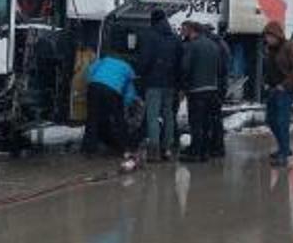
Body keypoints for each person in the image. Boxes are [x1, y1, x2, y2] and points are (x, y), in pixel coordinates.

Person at [84, 51, 142, 167]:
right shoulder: (129, 69)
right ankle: (124, 147)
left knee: (92, 118)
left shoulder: (105, 60)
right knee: (119, 120)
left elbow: (89, 70)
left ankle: (89, 149)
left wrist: (91, 82)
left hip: (94, 87)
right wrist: (125, 105)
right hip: (112, 91)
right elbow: (130, 93)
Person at [137, 9, 181, 161]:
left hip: (154, 82)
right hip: (170, 83)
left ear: (153, 20)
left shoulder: (149, 36)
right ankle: (167, 148)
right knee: (168, 114)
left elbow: (145, 60)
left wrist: (141, 73)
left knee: (153, 116)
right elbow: (179, 61)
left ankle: (154, 151)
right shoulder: (175, 37)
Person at [262, 20, 293, 166]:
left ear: (278, 35)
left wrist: (284, 85)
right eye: (266, 36)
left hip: (287, 90)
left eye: (270, 36)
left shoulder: (290, 48)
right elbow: (269, 69)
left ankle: (284, 154)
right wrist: (267, 83)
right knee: (271, 120)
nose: (267, 39)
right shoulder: (269, 49)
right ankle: (284, 147)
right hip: (273, 89)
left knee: (282, 121)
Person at [178, 21, 222, 162]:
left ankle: (195, 152)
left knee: (196, 122)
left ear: (191, 30)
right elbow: (220, 68)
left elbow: (185, 68)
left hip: (197, 90)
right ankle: (205, 152)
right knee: (207, 122)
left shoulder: (192, 46)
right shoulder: (214, 46)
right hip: (212, 89)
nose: (182, 33)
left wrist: (183, 87)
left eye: (183, 30)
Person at [204, 24, 231, 158]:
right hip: (220, 85)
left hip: (216, 85)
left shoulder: (214, 46)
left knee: (212, 117)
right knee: (215, 117)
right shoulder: (222, 44)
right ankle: (218, 146)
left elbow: (219, 68)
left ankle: (215, 146)